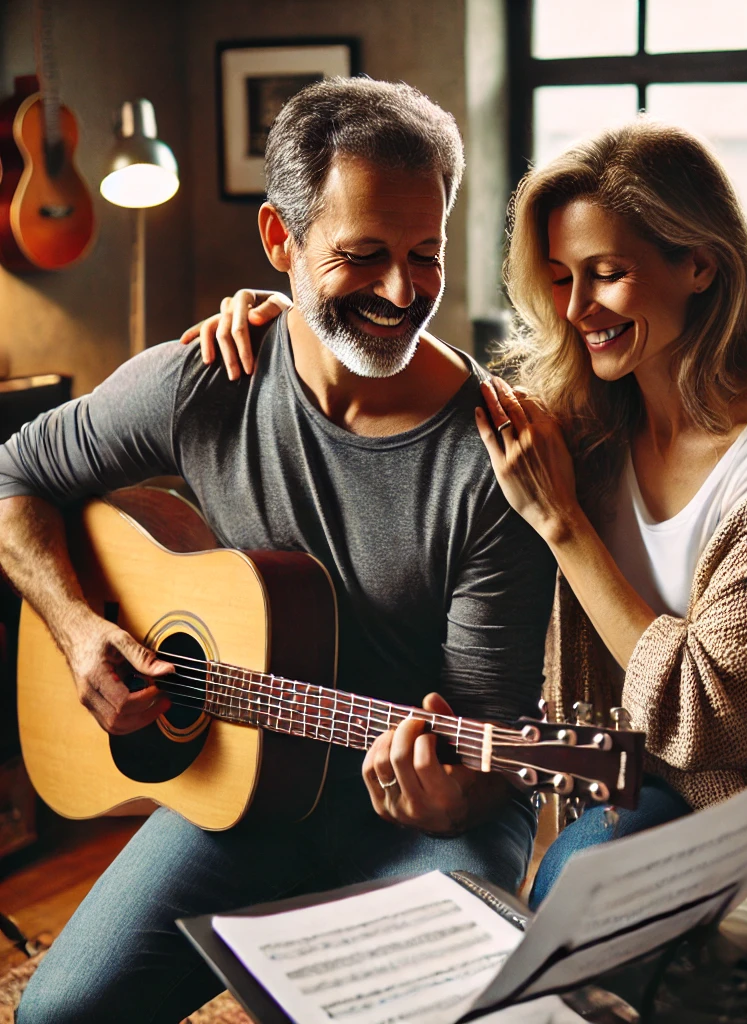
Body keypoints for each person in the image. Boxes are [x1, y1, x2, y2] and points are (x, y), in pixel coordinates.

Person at [196, 118, 747, 911]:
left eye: (606, 273)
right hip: (628, 794)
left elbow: (709, 723)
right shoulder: (578, 425)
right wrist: (296, 313)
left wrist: (562, 522)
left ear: (699, 264)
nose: (577, 308)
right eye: (561, 276)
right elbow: (424, 384)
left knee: (565, 899)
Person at [0, 77, 554, 1023]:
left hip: (423, 814)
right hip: (246, 786)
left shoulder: (497, 461)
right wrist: (76, 625)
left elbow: (486, 751)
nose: (401, 290)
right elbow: (14, 475)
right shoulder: (206, 380)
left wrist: (450, 798)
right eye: (362, 255)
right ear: (278, 241)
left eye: (427, 255)